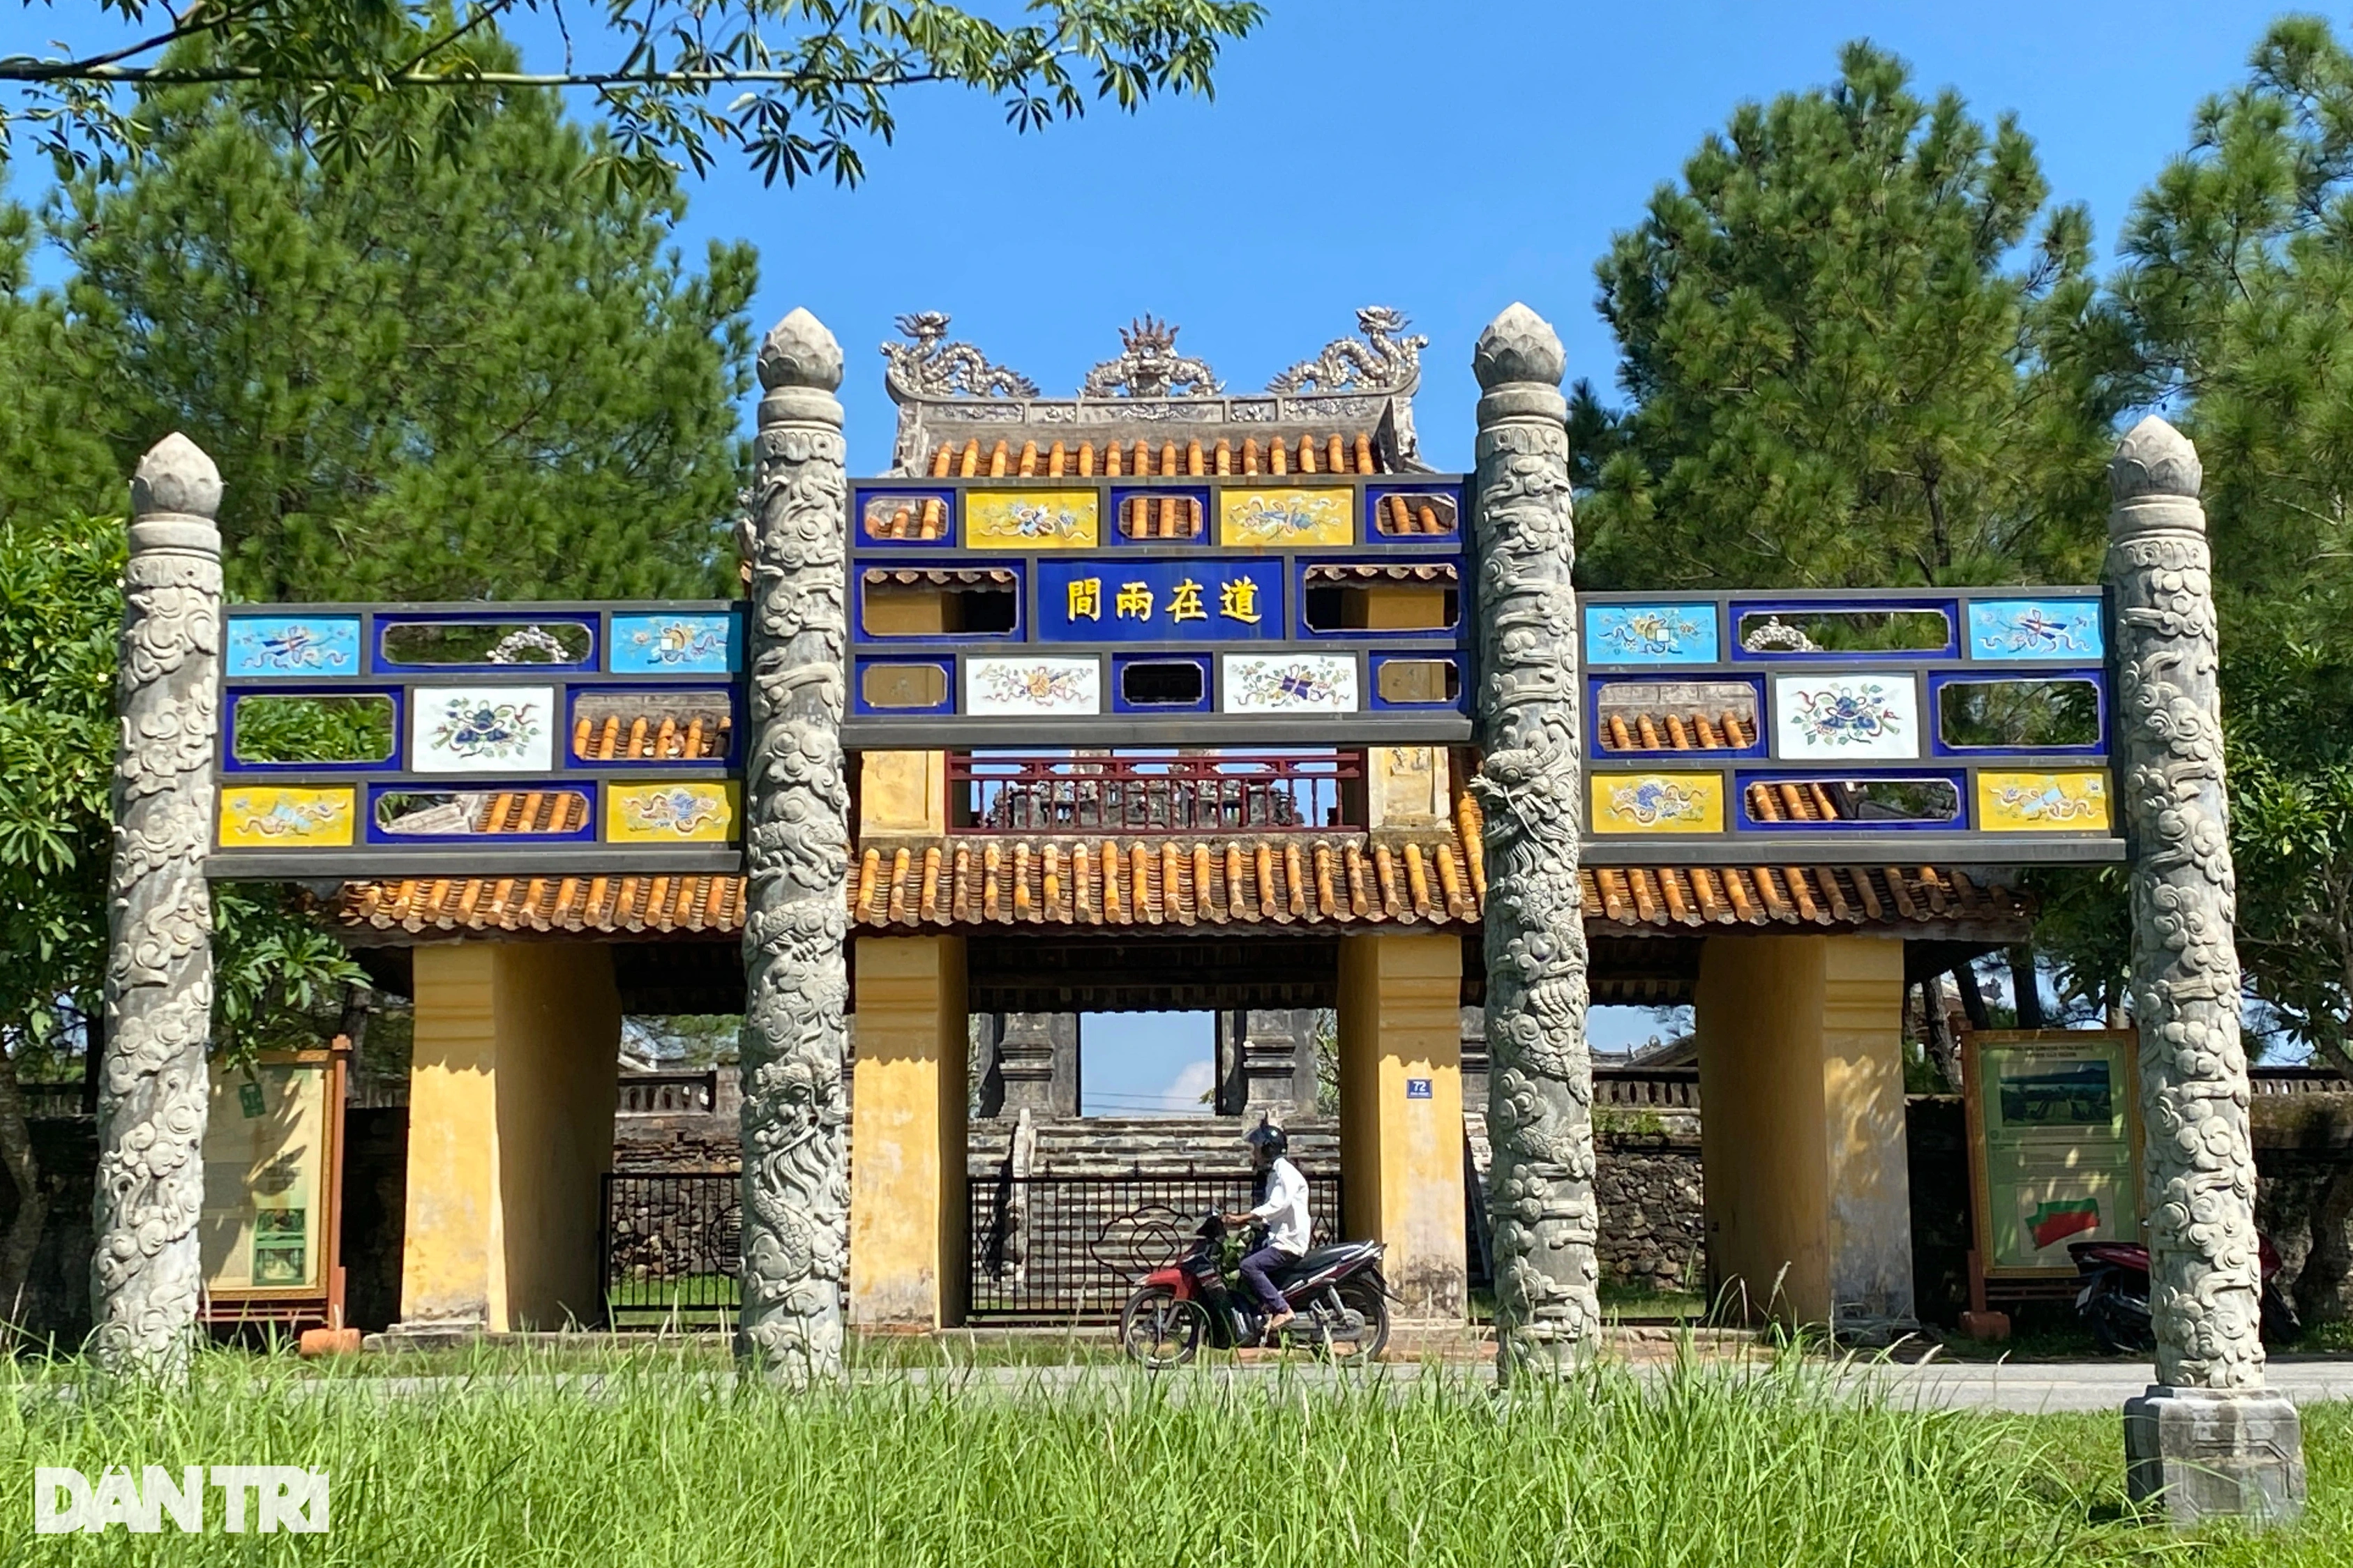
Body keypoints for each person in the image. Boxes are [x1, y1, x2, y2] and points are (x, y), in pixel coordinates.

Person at [1224, 1122, 1309, 1332]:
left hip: (1288, 1243)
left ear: (1267, 1148)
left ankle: (1282, 1310)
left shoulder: (1285, 1172)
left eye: (1256, 1148)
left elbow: (1277, 1205)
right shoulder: (1275, 1172)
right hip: (1278, 1238)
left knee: (1249, 1266)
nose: (1254, 1154)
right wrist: (1254, 1222)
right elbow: (1272, 1210)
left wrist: (1243, 1218)